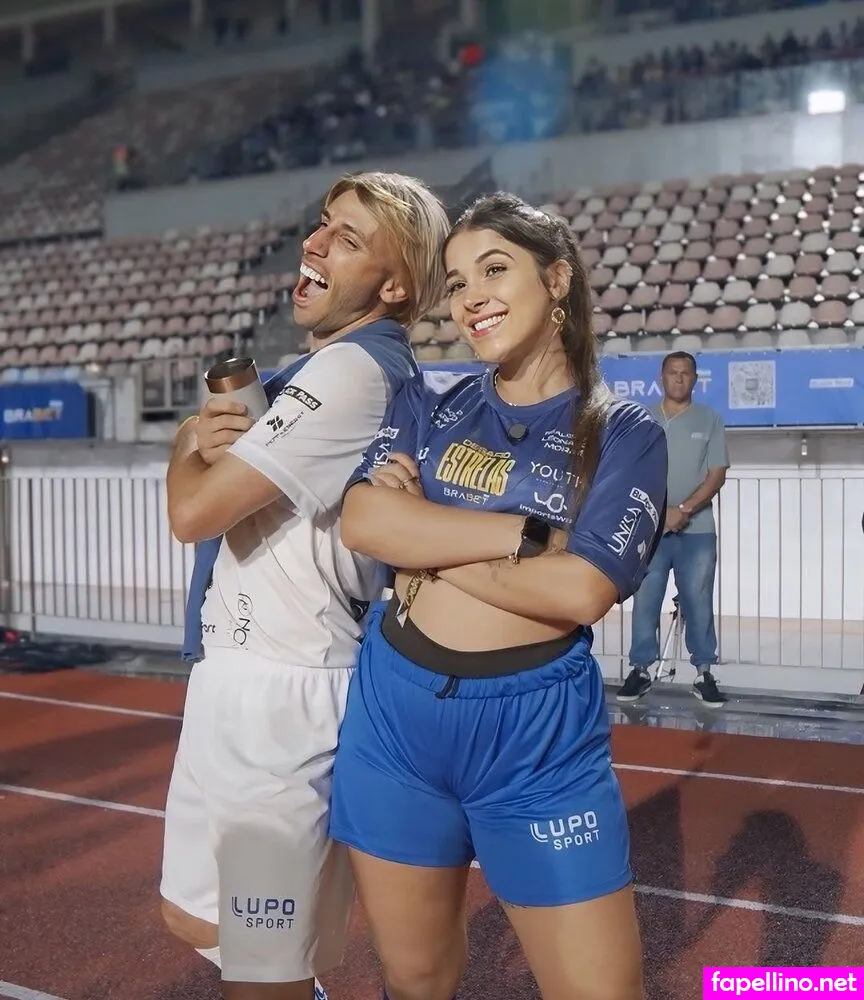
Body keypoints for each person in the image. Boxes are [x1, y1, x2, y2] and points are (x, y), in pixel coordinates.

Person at [330, 193, 669, 1000]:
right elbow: (365, 521)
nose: (470, 297)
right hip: (394, 721)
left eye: (493, 270)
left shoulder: (623, 433)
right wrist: (523, 534)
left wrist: (427, 536)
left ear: (557, 280)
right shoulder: (429, 403)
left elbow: (582, 589)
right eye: (456, 284)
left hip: (537, 740)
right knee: (413, 980)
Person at [161, 171, 450, 1000]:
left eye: (348, 239)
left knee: (263, 964)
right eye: (323, 224)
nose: (314, 243)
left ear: (394, 286)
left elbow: (194, 513)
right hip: (247, 677)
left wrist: (186, 439)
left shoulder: (352, 369)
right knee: (197, 920)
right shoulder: (330, 366)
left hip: (283, 692)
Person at [617, 350, 729, 708]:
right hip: (650, 531)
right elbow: (631, 471)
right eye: (672, 372)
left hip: (698, 531)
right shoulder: (643, 419)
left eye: (685, 373)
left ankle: (704, 673)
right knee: (645, 600)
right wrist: (660, 514)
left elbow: (716, 474)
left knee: (699, 601)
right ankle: (640, 670)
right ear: (661, 378)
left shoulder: (709, 420)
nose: (679, 378)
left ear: (695, 379)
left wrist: (684, 510)